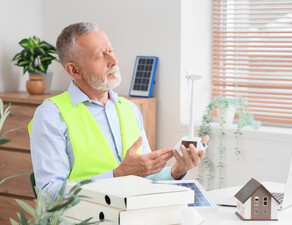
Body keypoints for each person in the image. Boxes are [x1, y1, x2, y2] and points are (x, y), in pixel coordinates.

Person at [29, 22, 209, 202]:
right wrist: (117, 174)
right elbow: (49, 194)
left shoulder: (129, 108)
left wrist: (177, 170)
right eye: (100, 55)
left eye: (111, 51)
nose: (113, 61)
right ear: (74, 70)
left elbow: (145, 178)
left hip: (131, 218)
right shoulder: (51, 115)